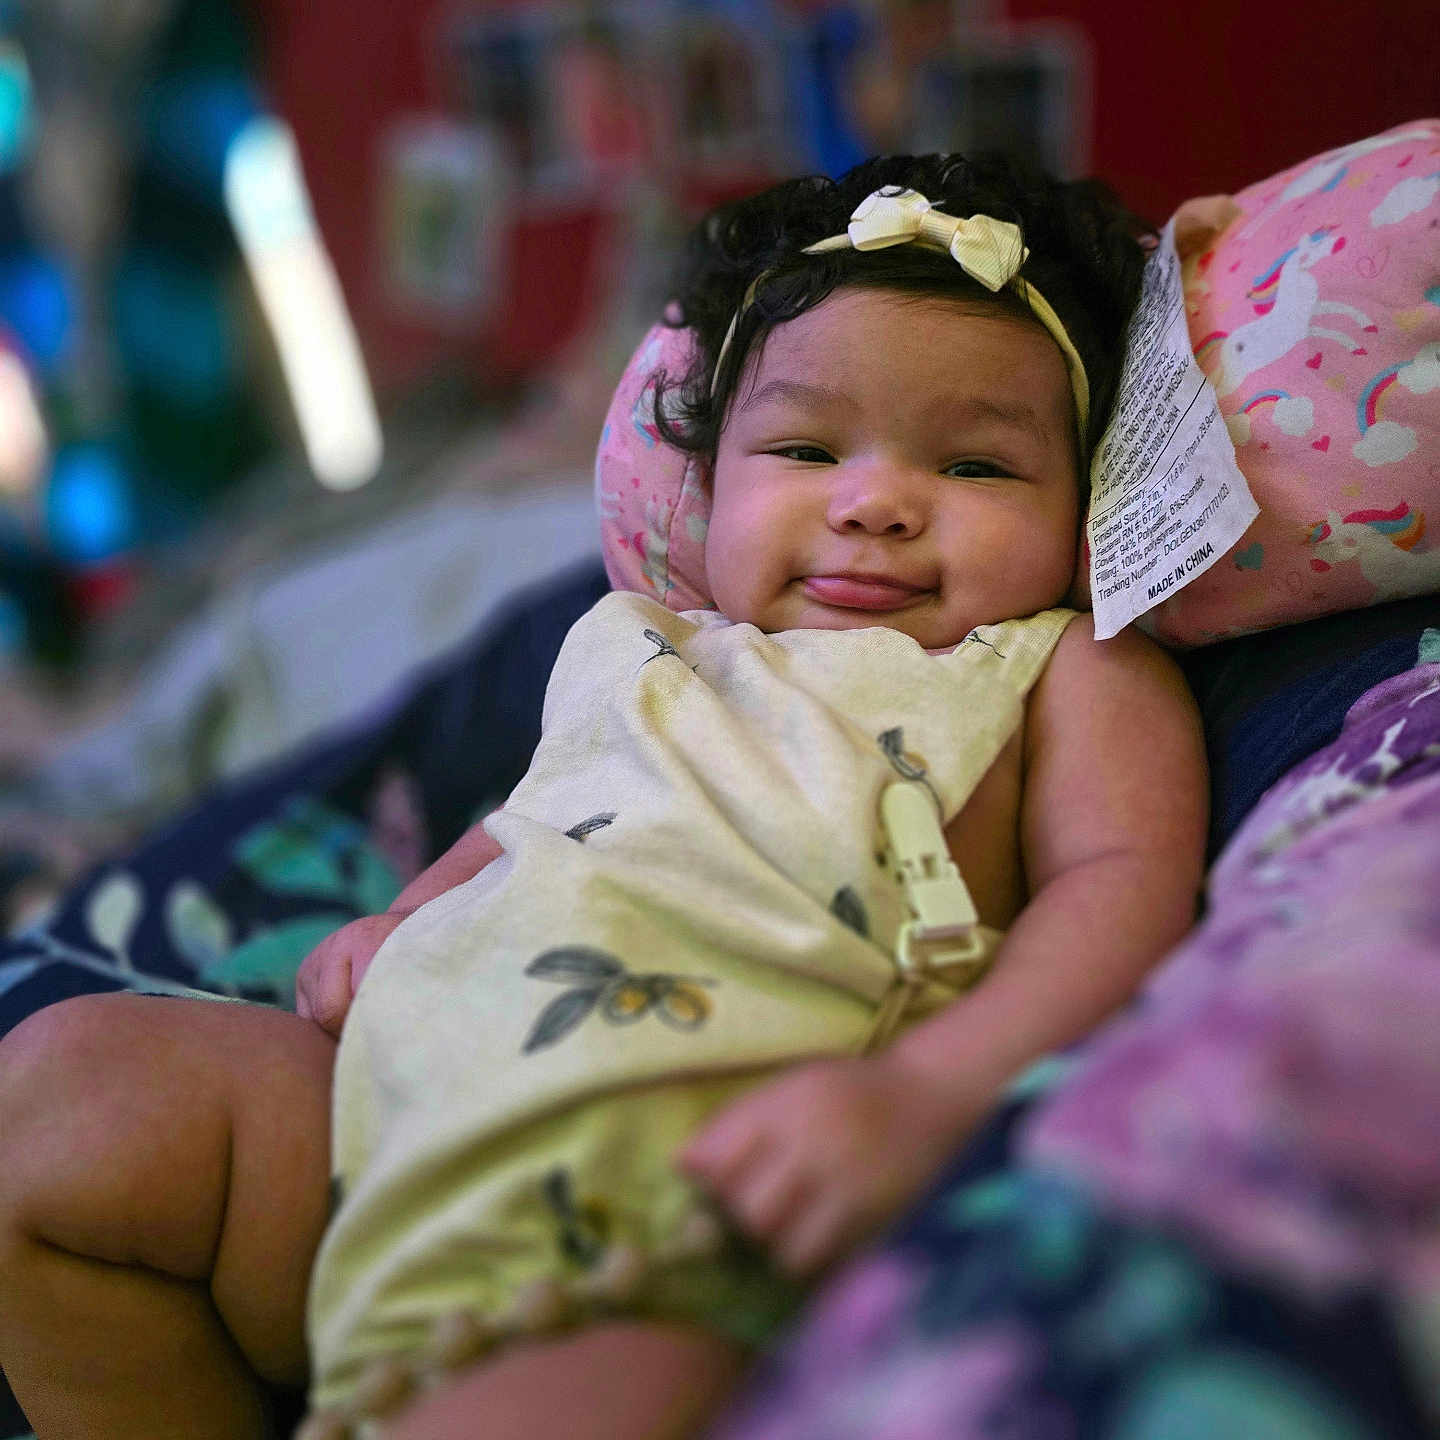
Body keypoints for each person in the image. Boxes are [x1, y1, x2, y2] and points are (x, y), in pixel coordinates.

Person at [0, 152, 1207, 1440]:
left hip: (667, 1221)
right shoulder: (644, 636)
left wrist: (928, 1096)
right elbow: (541, 814)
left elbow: (1122, 885)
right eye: (805, 448)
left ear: (1091, 497)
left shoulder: (1055, 668)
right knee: (61, 1106)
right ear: (714, 482)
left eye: (975, 469)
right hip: (386, 1128)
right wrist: (403, 918)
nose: (875, 505)